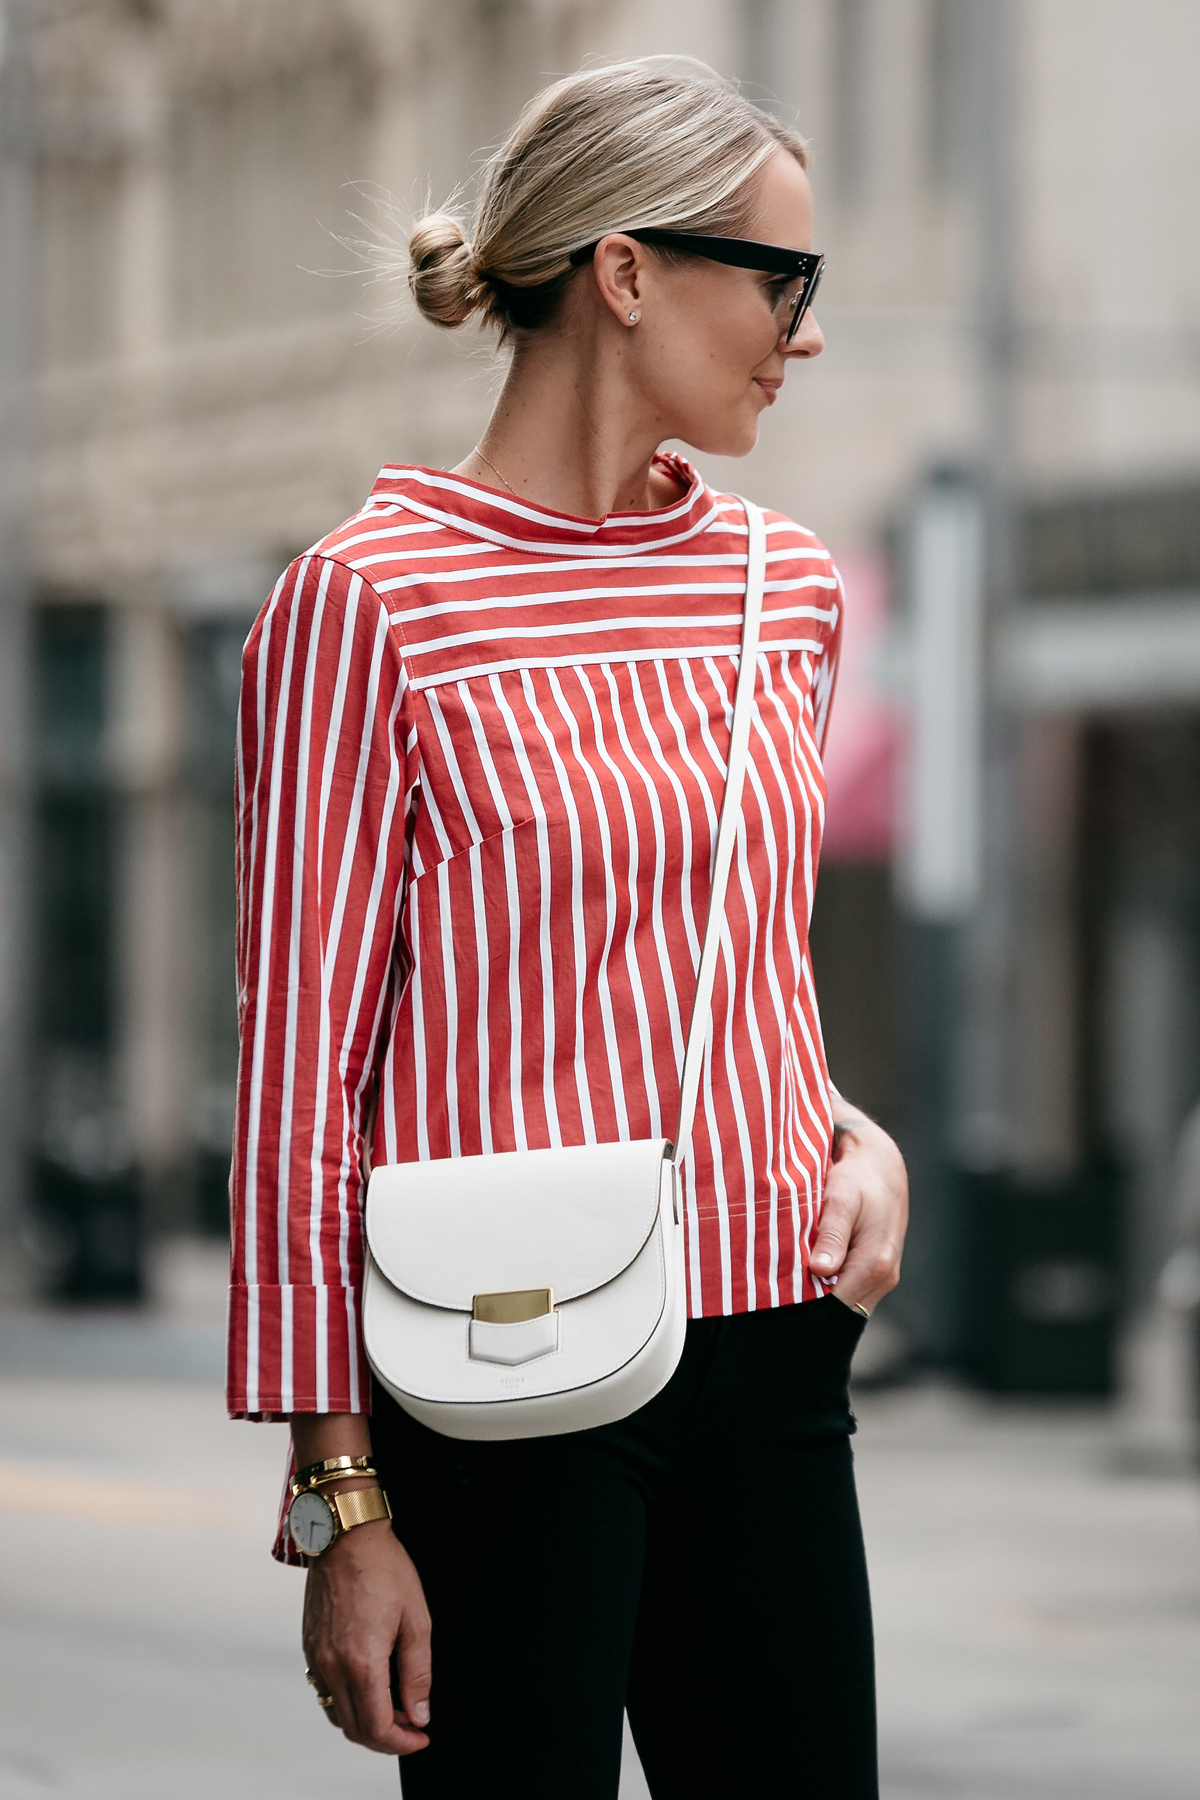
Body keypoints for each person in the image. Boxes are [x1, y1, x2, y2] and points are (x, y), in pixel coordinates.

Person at [228, 57, 908, 1800]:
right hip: (501, 1368)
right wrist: (341, 1500)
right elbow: (304, 1080)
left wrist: (848, 1127)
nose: (803, 330)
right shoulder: (368, 603)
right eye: (782, 279)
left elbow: (737, 959)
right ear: (625, 272)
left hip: (774, 1353)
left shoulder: (786, 590)